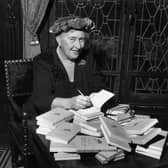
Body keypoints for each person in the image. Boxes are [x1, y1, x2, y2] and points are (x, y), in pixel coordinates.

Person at [25, 16, 108, 117]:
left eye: (81, 39)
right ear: (58, 40)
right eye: (72, 39)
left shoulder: (88, 58)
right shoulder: (43, 61)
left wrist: (95, 96)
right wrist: (70, 103)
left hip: (81, 117)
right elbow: (41, 100)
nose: (78, 46)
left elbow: (99, 86)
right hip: (49, 118)